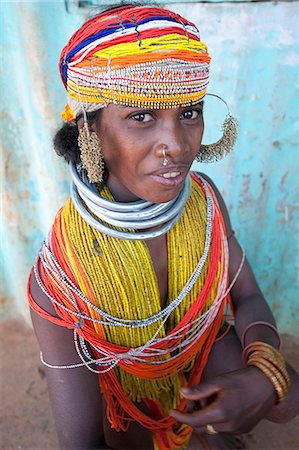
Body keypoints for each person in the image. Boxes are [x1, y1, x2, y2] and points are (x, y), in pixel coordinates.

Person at [27, 4, 299, 450]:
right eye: (141, 116)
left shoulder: (205, 201)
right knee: (130, 435)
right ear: (89, 129)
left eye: (189, 112)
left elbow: (245, 294)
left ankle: (207, 427)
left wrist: (262, 372)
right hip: (125, 384)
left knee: (286, 399)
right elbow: (79, 443)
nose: (176, 145)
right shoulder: (59, 273)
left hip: (199, 346)